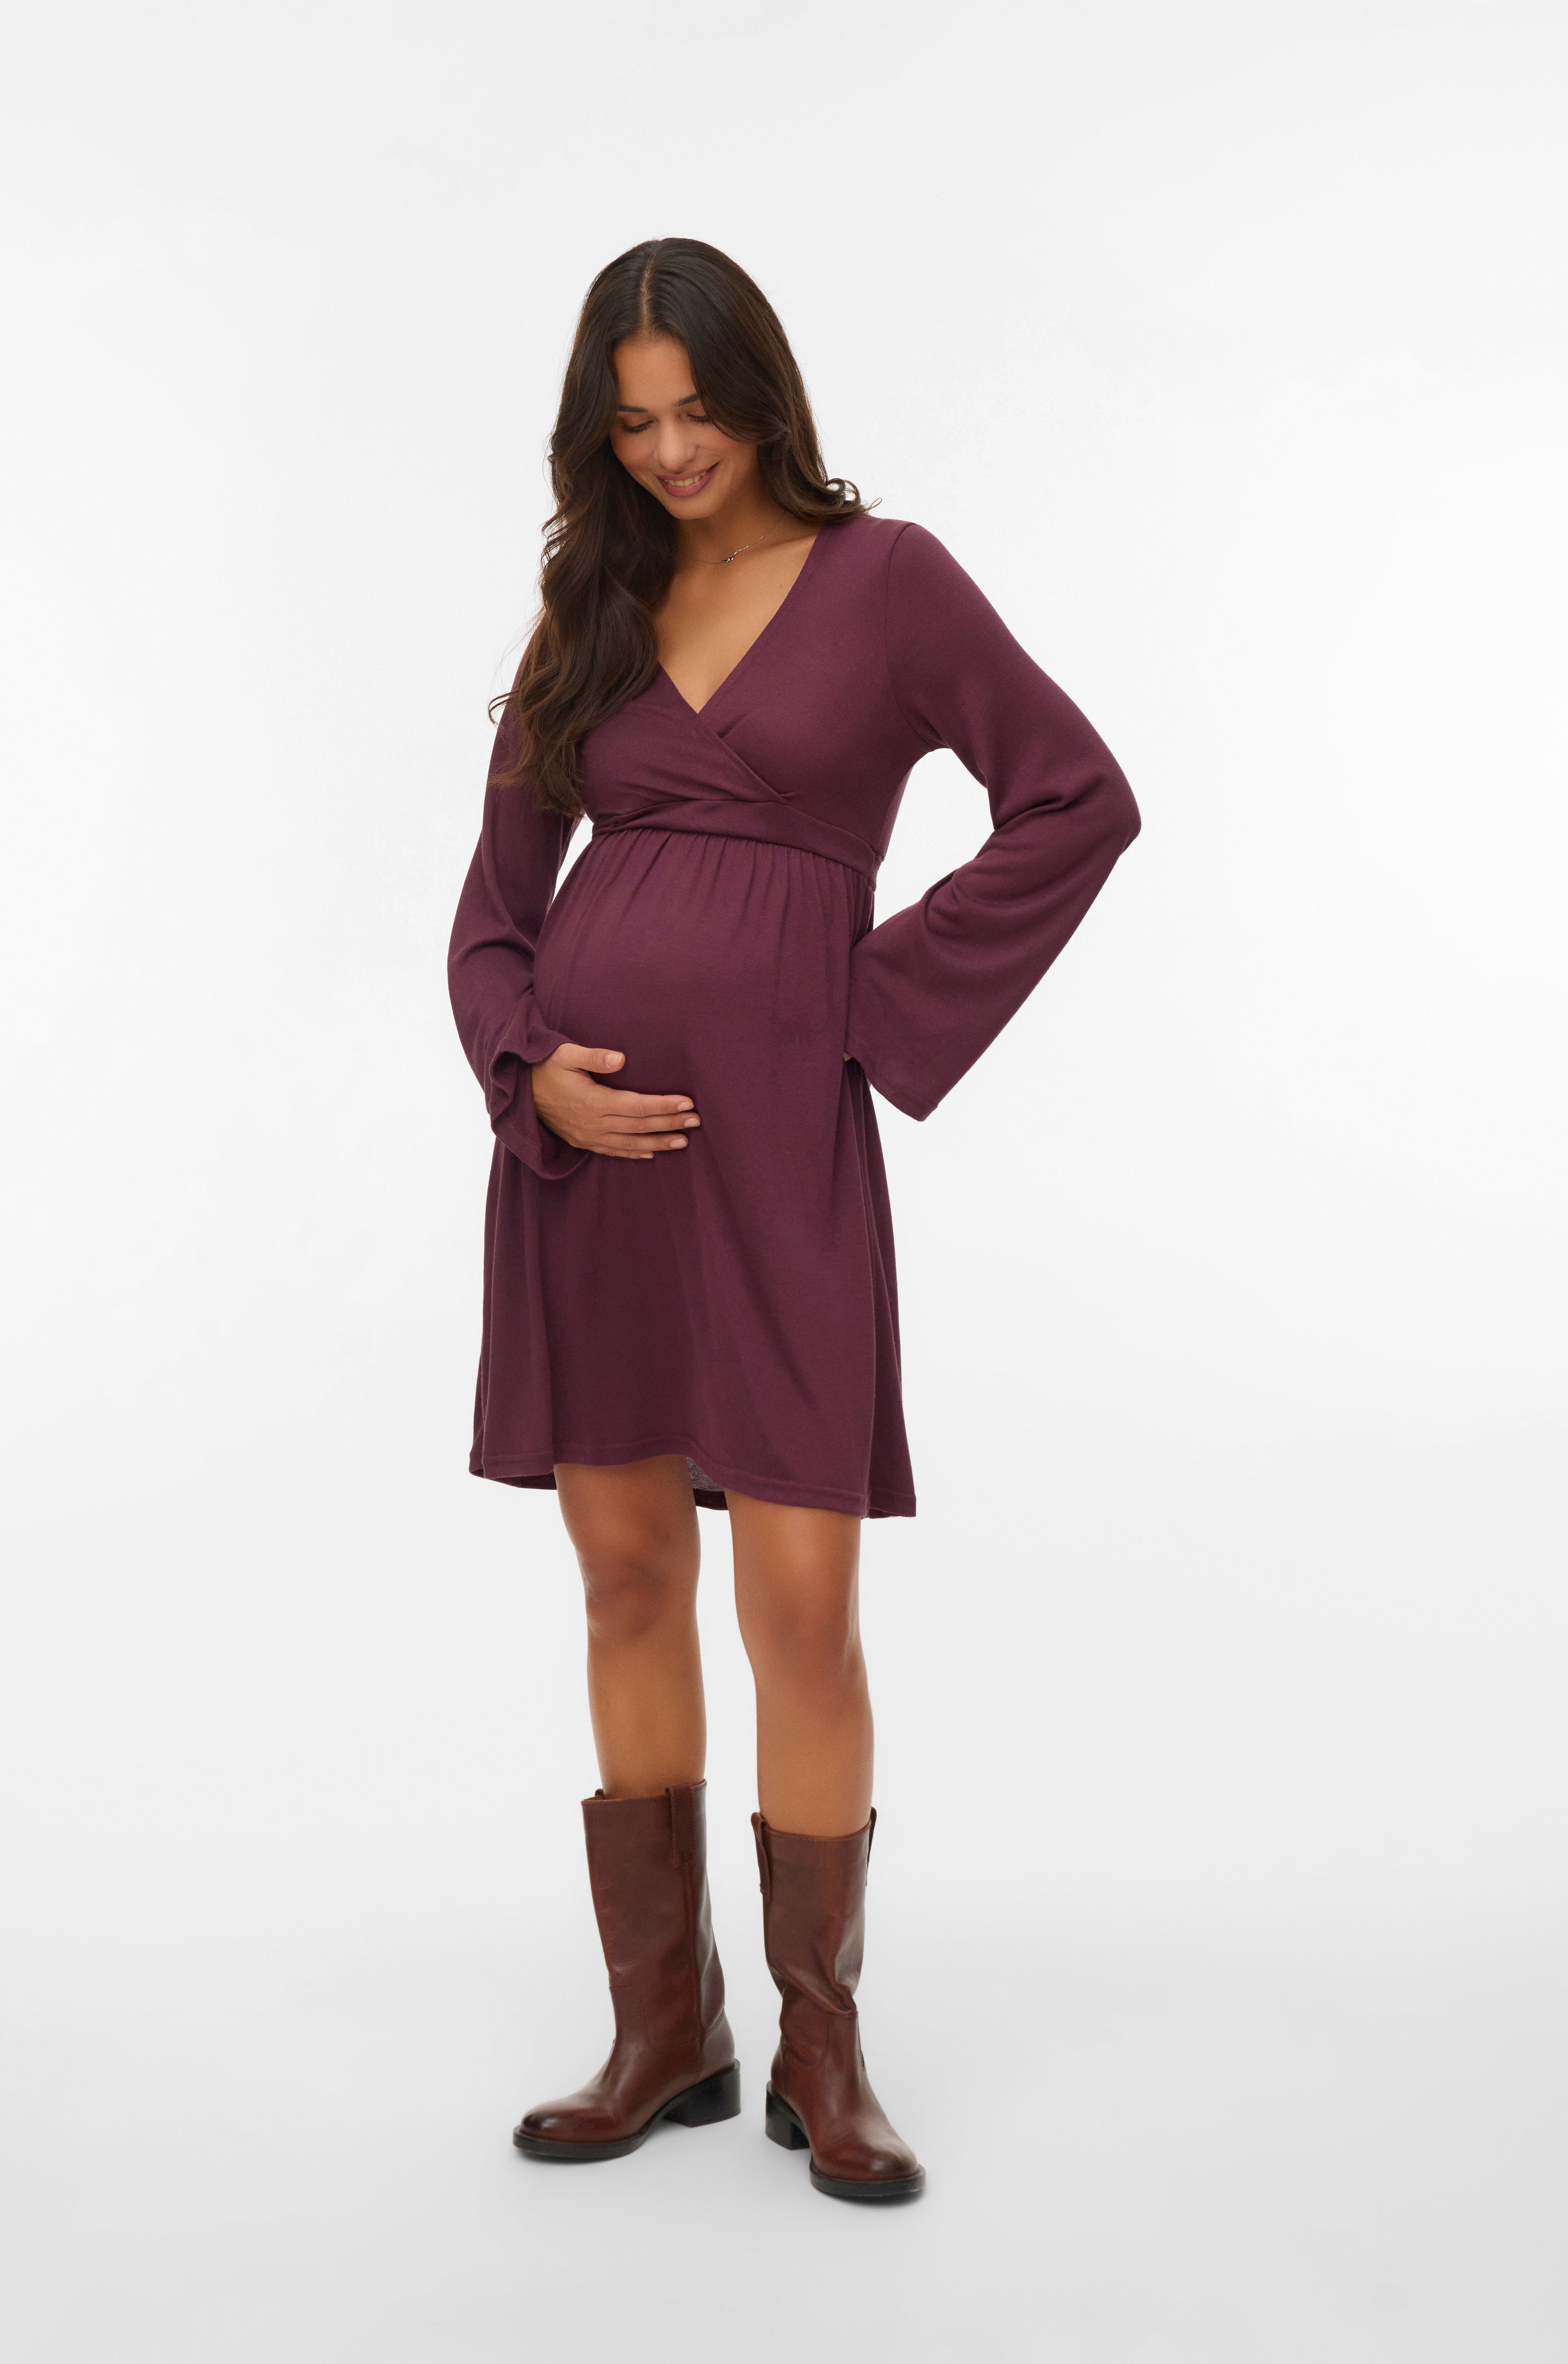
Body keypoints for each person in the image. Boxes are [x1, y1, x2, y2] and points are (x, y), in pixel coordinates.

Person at [447, 237, 1140, 2204]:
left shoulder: (888, 581)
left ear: (763, 397)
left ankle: (822, 2047)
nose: (671, 451)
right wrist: (528, 1071)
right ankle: (664, 2027)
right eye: (631, 422)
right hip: (586, 1173)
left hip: (776, 1156)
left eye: (699, 410)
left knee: (803, 1603)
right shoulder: (588, 611)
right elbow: (491, 912)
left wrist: (865, 1002)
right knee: (622, 1579)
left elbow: (1074, 797)